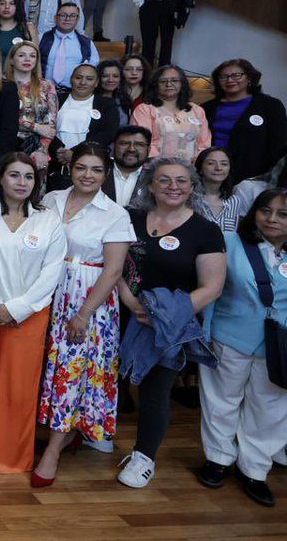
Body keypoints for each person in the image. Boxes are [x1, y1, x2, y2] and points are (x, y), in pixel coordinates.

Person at [116, 158, 225, 488]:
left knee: (155, 390)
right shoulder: (129, 218)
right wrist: (132, 302)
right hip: (121, 310)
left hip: (171, 324)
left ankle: (143, 458)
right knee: (110, 378)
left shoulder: (205, 230)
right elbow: (113, 265)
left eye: (181, 180)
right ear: (150, 185)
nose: (173, 186)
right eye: (164, 180)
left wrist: (161, 313)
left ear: (192, 186)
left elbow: (212, 286)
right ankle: (97, 434)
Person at [32, 143, 134, 485]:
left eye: (96, 170)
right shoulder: (51, 199)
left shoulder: (115, 213)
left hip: (87, 300)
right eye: (81, 168)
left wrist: (84, 313)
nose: (87, 175)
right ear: (70, 169)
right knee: (46, 365)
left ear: (105, 175)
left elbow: (113, 269)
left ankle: (53, 451)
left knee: (72, 373)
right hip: (48, 289)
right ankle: (47, 430)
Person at [0, 152, 66, 474]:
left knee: (17, 386)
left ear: (36, 182)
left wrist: (17, 308)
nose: (22, 182)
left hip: (30, 315)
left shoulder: (48, 220)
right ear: (0, 179)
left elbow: (53, 270)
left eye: (28, 177)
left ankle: (9, 454)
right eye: (15, 175)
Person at [197, 188, 287, 507]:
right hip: (229, 334)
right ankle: (218, 458)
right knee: (221, 400)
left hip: (280, 346)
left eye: (282, 214)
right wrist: (204, 332)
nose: (272, 219)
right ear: (254, 212)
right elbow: (212, 289)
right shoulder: (231, 242)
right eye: (266, 211)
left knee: (271, 408)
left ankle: (255, 469)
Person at [203, 59, 287, 183]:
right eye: (223, 76)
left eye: (236, 75)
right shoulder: (205, 108)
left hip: (253, 176)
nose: (230, 80)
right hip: (212, 172)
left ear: (249, 78)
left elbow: (279, 144)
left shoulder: (270, 106)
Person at [47, 64, 121, 190]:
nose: (83, 82)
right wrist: (58, 150)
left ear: (97, 82)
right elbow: (46, 126)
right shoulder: (56, 99)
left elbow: (108, 133)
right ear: (71, 79)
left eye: (89, 79)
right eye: (78, 77)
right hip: (55, 162)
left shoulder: (106, 104)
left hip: (90, 164)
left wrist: (76, 153)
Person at [132, 65, 211, 162]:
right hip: (154, 168)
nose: (169, 84)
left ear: (182, 84)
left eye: (174, 80)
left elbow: (204, 144)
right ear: (155, 85)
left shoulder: (197, 110)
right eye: (163, 81)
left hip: (191, 170)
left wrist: (195, 164)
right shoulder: (144, 109)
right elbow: (141, 142)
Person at [7, 41, 57, 169]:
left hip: (39, 149)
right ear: (12, 60)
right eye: (21, 55)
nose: (27, 59)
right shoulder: (2, 84)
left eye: (32, 56)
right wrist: (35, 127)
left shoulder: (46, 86)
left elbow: (50, 126)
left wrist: (41, 150)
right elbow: (4, 118)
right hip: (9, 146)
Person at [196, 147, 265, 232]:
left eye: (224, 164)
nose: (218, 168)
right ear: (200, 169)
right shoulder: (189, 198)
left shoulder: (234, 201)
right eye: (211, 163)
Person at [39, 2, 99, 91]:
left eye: (72, 16)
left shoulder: (86, 43)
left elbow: (91, 69)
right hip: (44, 92)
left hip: (74, 93)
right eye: (63, 15)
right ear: (55, 17)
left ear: (77, 19)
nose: (67, 19)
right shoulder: (41, 38)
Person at [107, 125, 153, 207]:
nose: (131, 149)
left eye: (139, 144)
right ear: (113, 146)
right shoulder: (98, 171)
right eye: (124, 143)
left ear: (148, 150)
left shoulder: (154, 176)